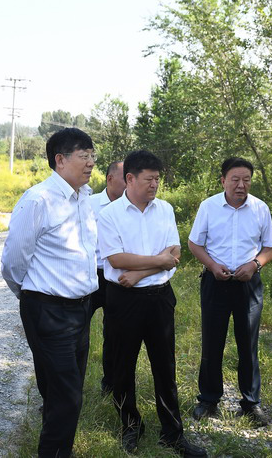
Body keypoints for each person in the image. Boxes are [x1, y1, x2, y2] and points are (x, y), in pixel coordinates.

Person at [98, 150, 206, 457]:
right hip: (123, 300)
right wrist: (159, 261)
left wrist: (141, 272)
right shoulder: (110, 214)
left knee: (165, 367)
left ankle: (173, 433)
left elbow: (174, 254)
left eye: (158, 179)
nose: (154, 185)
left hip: (159, 297)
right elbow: (117, 259)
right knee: (123, 367)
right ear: (130, 178)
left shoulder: (165, 209)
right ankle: (130, 426)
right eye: (149, 179)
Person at [1, 128, 99, 458]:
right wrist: (32, 296)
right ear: (60, 160)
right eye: (84, 156)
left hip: (81, 309)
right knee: (66, 396)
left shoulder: (84, 197)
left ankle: (57, 447)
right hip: (48, 310)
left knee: (62, 391)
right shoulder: (38, 200)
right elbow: (13, 261)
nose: (91, 163)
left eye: (93, 156)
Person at [188, 157, 272, 427]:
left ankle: (251, 403)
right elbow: (194, 244)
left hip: (248, 284)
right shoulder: (209, 206)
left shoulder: (260, 208)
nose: (241, 185)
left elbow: (270, 247)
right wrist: (212, 266)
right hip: (215, 282)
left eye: (246, 180)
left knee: (248, 344)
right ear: (223, 181)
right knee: (212, 342)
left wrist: (255, 265)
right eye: (235, 179)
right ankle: (208, 400)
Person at [88, 160, 125, 395]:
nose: (130, 182)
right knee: (76, 333)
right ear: (110, 179)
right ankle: (65, 390)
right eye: (125, 177)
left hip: (117, 278)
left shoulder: (131, 208)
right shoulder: (89, 204)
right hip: (90, 275)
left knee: (115, 334)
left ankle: (111, 385)